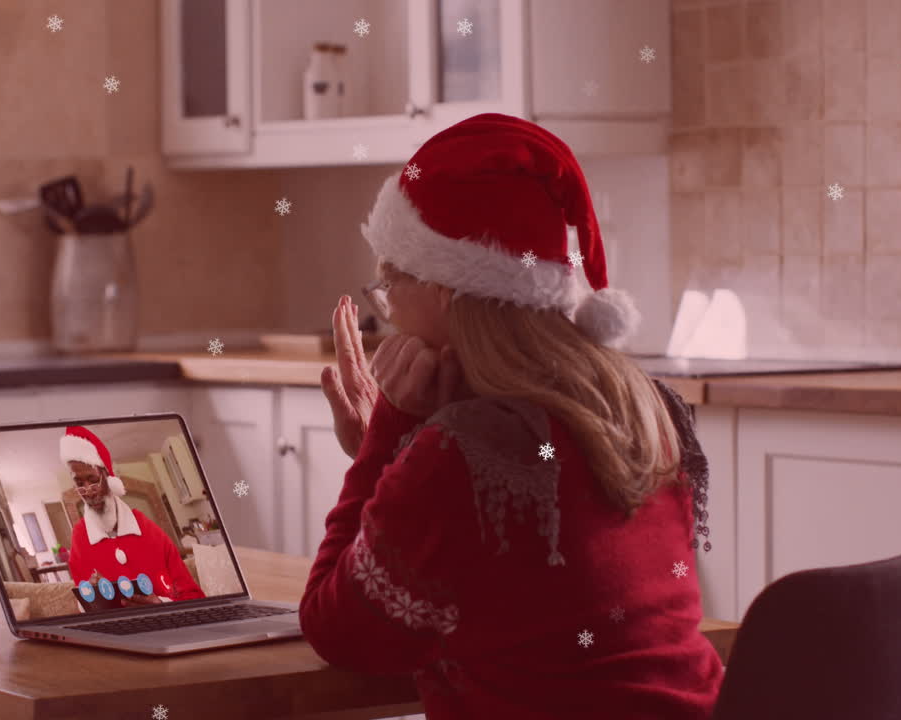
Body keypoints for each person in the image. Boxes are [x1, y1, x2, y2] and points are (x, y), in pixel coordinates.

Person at [301, 113, 721, 719]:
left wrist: (386, 438)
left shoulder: (460, 456)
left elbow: (335, 629)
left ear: (444, 290)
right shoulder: (645, 408)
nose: (387, 318)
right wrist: (407, 455)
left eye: (390, 288)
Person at [60, 425, 205, 605]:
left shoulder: (148, 529)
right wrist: (95, 599)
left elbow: (193, 596)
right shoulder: (80, 537)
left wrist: (160, 604)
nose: (88, 491)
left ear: (108, 477)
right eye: (79, 483)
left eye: (93, 480)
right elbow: (86, 606)